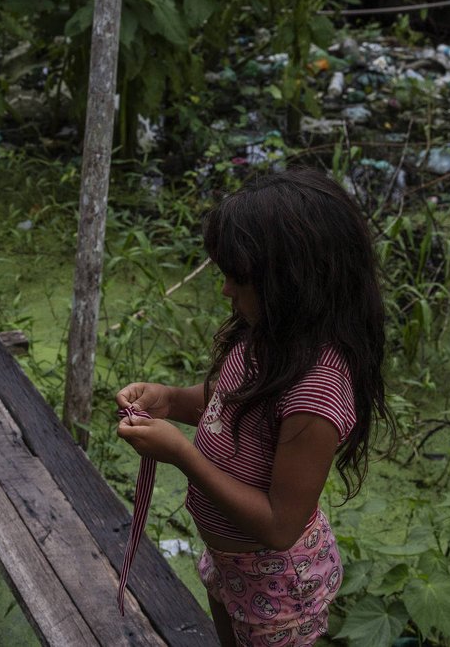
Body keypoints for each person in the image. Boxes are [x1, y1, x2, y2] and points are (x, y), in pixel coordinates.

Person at [116, 166, 389, 646]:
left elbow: (280, 525)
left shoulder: (317, 395)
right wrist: (171, 401)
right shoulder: (265, 338)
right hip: (230, 565)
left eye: (238, 280)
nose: (226, 291)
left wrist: (182, 454)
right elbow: (232, 407)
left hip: (277, 586)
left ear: (292, 283)